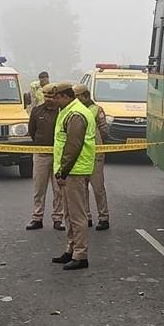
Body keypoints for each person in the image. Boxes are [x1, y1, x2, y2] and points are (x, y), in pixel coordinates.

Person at [46, 82, 95, 270]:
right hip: (70, 170)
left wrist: (63, 172)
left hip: (74, 171)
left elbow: (73, 146)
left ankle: (81, 255)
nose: (53, 100)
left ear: (65, 96)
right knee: (69, 214)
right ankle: (71, 250)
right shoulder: (67, 111)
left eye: (56, 97)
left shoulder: (76, 114)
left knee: (77, 216)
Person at [26, 89, 65, 231]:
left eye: (52, 96)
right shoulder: (36, 111)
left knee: (58, 189)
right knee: (39, 188)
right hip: (41, 154)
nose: (49, 99)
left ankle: (58, 218)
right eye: (47, 96)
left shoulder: (63, 112)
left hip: (58, 155)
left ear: (57, 97)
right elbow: (32, 131)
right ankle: (37, 218)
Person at [74, 84, 110, 230]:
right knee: (82, 189)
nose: (76, 99)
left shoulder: (97, 110)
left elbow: (104, 130)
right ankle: (87, 216)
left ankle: (103, 217)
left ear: (86, 96)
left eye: (78, 96)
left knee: (98, 188)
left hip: (95, 155)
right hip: (80, 155)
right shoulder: (74, 110)